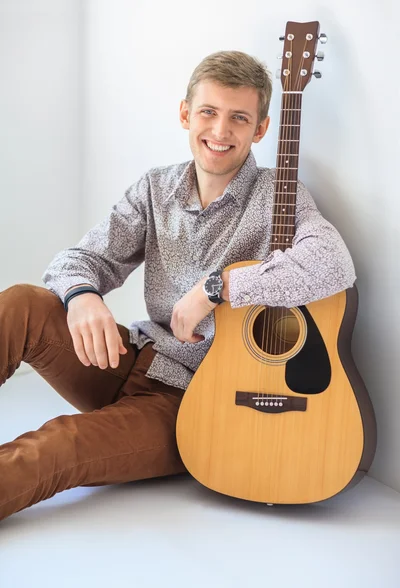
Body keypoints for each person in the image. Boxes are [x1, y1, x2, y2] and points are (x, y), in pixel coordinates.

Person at [0, 50, 356, 522]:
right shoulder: (155, 188)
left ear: (262, 129)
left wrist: (217, 288)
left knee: (59, 444)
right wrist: (81, 295)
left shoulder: (278, 196)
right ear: (186, 114)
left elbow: (333, 263)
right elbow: (82, 258)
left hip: (193, 402)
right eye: (208, 112)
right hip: (128, 359)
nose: (221, 131)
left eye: (239, 118)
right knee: (23, 303)